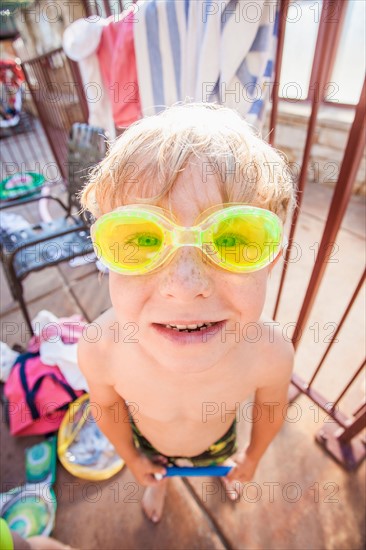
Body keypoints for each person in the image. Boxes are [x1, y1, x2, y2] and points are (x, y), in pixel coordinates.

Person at [78, 103, 295, 523]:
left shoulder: (270, 353)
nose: (184, 285)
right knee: (154, 474)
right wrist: (130, 457)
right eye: (141, 239)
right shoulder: (101, 349)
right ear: (106, 255)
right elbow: (107, 409)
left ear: (270, 260)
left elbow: (270, 410)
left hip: (219, 442)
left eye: (233, 240)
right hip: (148, 442)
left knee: (223, 459)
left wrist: (252, 457)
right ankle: (158, 485)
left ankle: (220, 473)